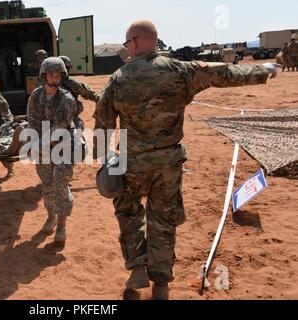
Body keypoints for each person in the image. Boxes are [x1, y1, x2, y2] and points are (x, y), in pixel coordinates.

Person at [93, 20, 280, 300]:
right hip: (169, 161)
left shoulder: (119, 78)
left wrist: (106, 162)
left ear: (135, 41)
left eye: (127, 44)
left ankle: (136, 268)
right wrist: (264, 71)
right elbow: (225, 74)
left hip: (131, 161)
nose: (127, 49)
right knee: (164, 221)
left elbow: (102, 126)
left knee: (128, 213)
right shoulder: (180, 71)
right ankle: (162, 284)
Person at [27, 57, 78, 243]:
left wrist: (40, 145)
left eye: (58, 75)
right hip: (42, 147)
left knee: (60, 185)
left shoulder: (67, 99)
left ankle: (62, 226)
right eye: (51, 74)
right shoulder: (35, 96)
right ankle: (51, 216)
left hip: (64, 145)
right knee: (47, 185)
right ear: (44, 75)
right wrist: (31, 143)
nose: (55, 78)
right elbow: (31, 121)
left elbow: (60, 128)